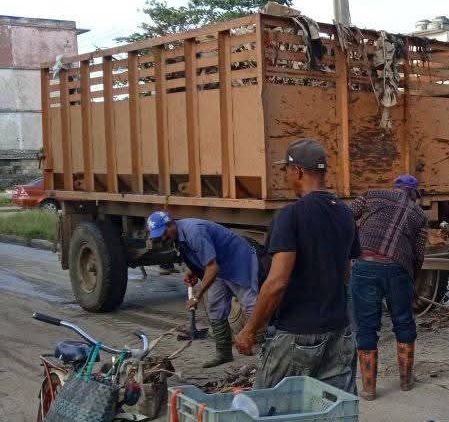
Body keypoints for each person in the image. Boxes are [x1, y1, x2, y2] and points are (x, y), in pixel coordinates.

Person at [233, 138, 361, 393]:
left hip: (297, 333)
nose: (285, 177)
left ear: (298, 171)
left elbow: (277, 282)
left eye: (286, 171)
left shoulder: (291, 215)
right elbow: (346, 273)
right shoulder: (345, 213)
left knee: (268, 407)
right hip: (339, 331)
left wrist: (249, 329)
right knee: (331, 409)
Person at [349, 174, 428, 401]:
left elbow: (345, 218)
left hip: (364, 264)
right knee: (403, 321)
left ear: (395, 188)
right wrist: (412, 281)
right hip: (398, 268)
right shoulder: (419, 214)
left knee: (366, 326)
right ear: (414, 194)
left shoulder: (370, 195)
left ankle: (369, 389)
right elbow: (418, 255)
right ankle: (406, 381)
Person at [147, 211, 257, 368]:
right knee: (215, 306)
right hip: (218, 264)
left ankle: (268, 349)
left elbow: (212, 268)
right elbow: (202, 256)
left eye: (163, 233)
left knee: (252, 305)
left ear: (171, 224)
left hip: (237, 259)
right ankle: (224, 353)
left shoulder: (194, 231)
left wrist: (197, 296)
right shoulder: (178, 235)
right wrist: (192, 270)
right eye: (159, 236)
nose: (163, 238)